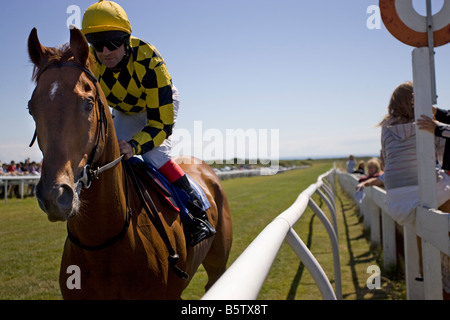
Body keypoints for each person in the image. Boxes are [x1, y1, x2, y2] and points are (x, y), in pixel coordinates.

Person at [81, 0, 215, 246]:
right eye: (98, 45)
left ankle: (195, 211)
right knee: (105, 155)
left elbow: (161, 125)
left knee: (154, 155)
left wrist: (134, 146)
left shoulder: (149, 60)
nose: (105, 52)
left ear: (126, 40)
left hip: (157, 108)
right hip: (125, 110)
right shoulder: (92, 62)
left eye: (112, 43)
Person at [380, 81, 450, 298]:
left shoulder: (386, 127)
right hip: (424, 193)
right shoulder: (426, 124)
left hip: (395, 202)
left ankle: (423, 266)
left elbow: (384, 161)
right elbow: (438, 156)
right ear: (415, 100)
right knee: (442, 200)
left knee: (425, 224)